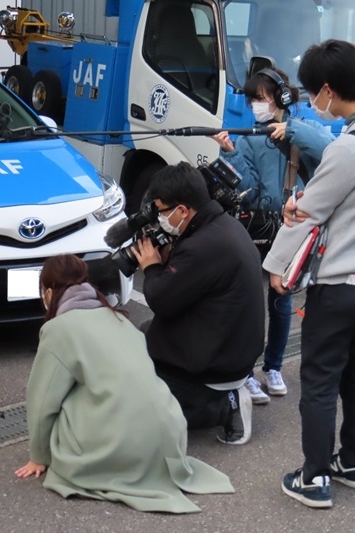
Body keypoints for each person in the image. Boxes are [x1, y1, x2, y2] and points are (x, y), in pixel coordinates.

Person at [15, 254, 234, 514]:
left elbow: (41, 399)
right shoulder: (120, 319)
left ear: (48, 292)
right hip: (171, 434)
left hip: (122, 446)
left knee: (65, 397)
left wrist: (38, 456)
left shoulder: (59, 329)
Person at [262, 39, 355, 509]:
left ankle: (314, 476)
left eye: (312, 94)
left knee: (319, 380)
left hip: (340, 285)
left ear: (326, 90)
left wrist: (277, 267)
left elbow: (308, 214)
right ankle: (352, 461)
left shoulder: (347, 148)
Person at [211, 67, 334, 405]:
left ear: (280, 98)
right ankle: (246, 374)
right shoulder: (250, 137)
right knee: (249, 302)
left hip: (294, 230)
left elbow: (330, 150)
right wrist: (230, 152)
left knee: (281, 302)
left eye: (260, 98)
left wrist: (291, 130)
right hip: (259, 227)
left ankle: (274, 367)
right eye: (251, 99)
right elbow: (247, 193)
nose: (255, 105)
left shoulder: (306, 129)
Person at [131, 163, 265, 445]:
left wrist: (153, 267)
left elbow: (160, 300)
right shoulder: (225, 226)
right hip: (238, 352)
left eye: (162, 210)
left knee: (135, 361)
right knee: (146, 330)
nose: (160, 217)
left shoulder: (201, 247)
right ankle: (225, 398)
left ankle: (222, 406)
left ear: (182, 210)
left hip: (214, 362)